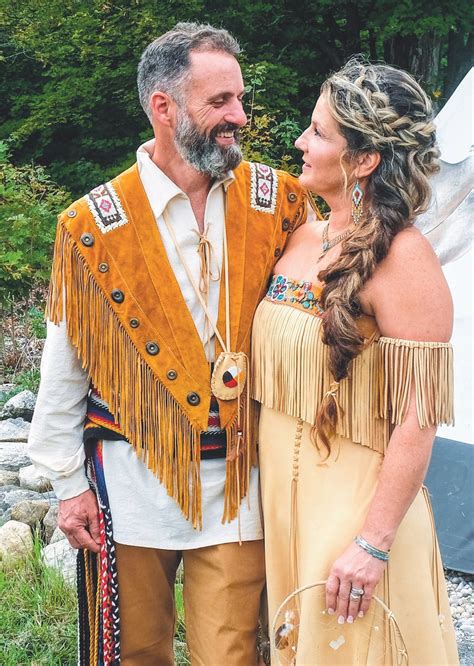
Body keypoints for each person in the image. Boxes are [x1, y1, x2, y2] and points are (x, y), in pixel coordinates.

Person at [27, 22, 308, 665]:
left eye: (240, 99)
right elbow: (65, 365)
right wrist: (68, 484)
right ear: (163, 107)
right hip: (128, 485)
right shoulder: (92, 224)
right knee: (135, 653)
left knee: (231, 656)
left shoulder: (281, 203)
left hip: (241, 484)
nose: (239, 116)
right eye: (219, 103)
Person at [252, 59, 460, 664]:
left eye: (318, 132)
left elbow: (419, 420)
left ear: (364, 159)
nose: (299, 142)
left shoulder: (406, 259)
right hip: (284, 506)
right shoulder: (301, 234)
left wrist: (373, 543)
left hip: (354, 510)